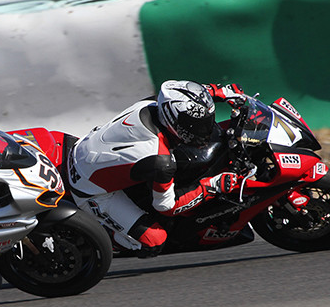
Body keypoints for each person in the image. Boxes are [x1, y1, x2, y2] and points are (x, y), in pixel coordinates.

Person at [67, 80, 247, 257]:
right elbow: (166, 206)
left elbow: (188, 97)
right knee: (154, 241)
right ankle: (108, 237)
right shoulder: (160, 159)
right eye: (195, 125)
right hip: (90, 189)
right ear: (175, 121)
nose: (204, 129)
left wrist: (219, 92)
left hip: (85, 149)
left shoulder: (153, 104)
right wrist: (212, 185)